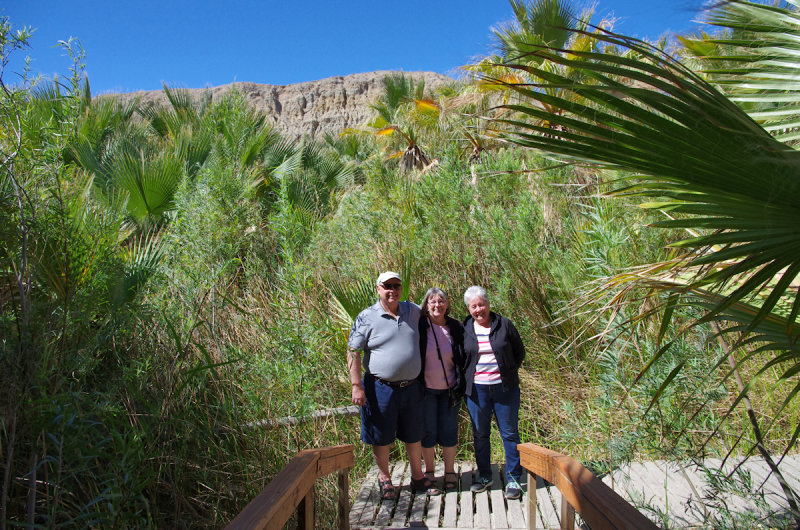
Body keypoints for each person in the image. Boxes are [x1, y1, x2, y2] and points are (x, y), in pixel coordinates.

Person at [347, 271, 432, 500]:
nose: (392, 290)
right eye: (387, 286)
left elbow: (435, 316)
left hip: (412, 386)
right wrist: (356, 385)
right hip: (379, 387)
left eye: (396, 286)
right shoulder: (366, 317)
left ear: (401, 288)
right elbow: (353, 351)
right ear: (378, 288)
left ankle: (416, 476)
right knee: (381, 436)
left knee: (413, 433)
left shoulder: (412, 310)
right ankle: (385, 479)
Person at [462, 285, 526, 500]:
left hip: (504, 388)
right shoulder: (465, 328)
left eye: (482, 304)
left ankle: (514, 478)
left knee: (509, 433)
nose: (479, 309)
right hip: (476, 390)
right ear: (469, 309)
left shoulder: (504, 324)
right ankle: (485, 476)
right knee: (480, 435)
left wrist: (506, 372)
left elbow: (519, 352)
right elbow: (462, 358)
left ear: (488, 304)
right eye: (474, 306)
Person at [418, 287, 465, 496]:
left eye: (441, 301)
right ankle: (429, 472)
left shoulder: (456, 326)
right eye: (433, 302)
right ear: (427, 305)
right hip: (426, 390)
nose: (437, 305)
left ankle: (449, 472)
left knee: (449, 432)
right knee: (427, 433)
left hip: (450, 390)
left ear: (447, 304)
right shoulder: (420, 326)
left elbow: (465, 355)